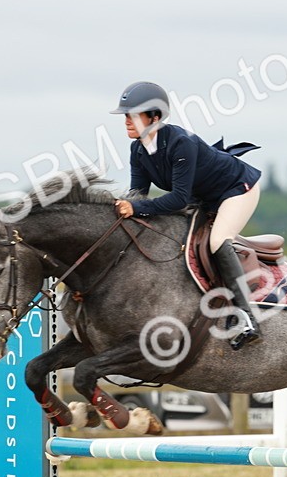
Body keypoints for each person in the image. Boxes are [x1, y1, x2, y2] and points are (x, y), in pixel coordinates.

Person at [110, 81, 263, 350]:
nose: (126, 122)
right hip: (203, 197)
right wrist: (121, 208)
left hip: (237, 190)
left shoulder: (181, 143)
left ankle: (247, 318)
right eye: (125, 115)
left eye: (133, 115)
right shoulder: (138, 149)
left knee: (217, 242)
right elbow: (139, 194)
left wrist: (135, 207)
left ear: (154, 117)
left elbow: (178, 198)